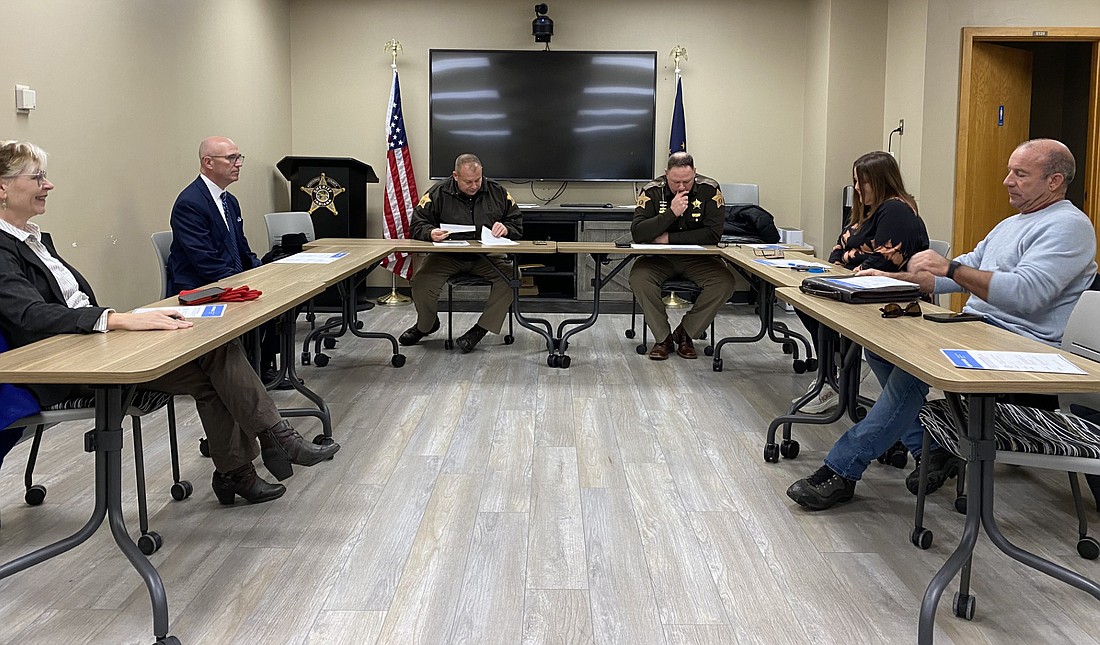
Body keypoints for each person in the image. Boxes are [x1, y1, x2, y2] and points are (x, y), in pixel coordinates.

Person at [0, 140, 340, 505]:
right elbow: (29, 315)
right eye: (38, 178)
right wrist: (116, 319)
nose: (48, 185)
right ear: (3, 187)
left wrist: (127, 321)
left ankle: (240, 470)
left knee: (216, 353)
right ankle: (271, 446)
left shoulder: (35, 240)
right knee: (216, 365)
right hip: (63, 366)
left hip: (93, 346)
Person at [787, 138, 1097, 511]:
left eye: (1020, 173)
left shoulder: (1069, 226)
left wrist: (949, 267)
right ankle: (928, 448)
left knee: (911, 373)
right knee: (884, 350)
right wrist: (896, 279)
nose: (1007, 181)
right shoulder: (1011, 224)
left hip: (1020, 343)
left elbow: (1027, 293)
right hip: (978, 328)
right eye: (1009, 171)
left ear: (1054, 181)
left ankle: (842, 467)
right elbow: (958, 273)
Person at [793, 151, 929, 413]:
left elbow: (884, 262)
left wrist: (846, 266)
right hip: (859, 288)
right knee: (804, 297)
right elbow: (837, 250)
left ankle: (839, 371)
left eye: (862, 182)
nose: (856, 188)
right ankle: (835, 370)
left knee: (814, 301)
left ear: (881, 180)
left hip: (891, 299)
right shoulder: (867, 211)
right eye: (855, 181)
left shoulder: (896, 210)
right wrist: (843, 265)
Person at [166, 136, 282, 386]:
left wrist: (263, 273)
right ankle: (249, 376)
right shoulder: (190, 203)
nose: (238, 163)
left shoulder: (230, 201)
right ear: (208, 162)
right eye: (231, 158)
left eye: (239, 157)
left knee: (280, 300)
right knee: (260, 305)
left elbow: (241, 248)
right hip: (201, 288)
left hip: (227, 278)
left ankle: (263, 367)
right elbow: (206, 262)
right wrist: (243, 287)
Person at [401, 154, 523, 353]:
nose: (474, 186)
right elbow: (417, 224)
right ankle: (426, 325)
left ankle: (480, 330)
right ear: (455, 176)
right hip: (447, 256)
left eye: (478, 180)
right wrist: (430, 232)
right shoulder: (438, 192)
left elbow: (516, 222)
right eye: (468, 182)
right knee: (421, 282)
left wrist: (506, 229)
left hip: (487, 257)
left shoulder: (498, 192)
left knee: (513, 277)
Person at [629, 152, 736, 360]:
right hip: (658, 260)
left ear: (695, 174)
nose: (680, 187)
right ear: (665, 174)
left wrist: (668, 237)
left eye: (686, 182)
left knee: (724, 281)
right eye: (675, 181)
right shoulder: (651, 190)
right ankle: (663, 339)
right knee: (639, 278)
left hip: (699, 260)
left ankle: (686, 333)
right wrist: (671, 213)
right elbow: (639, 232)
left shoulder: (709, 190)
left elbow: (712, 235)